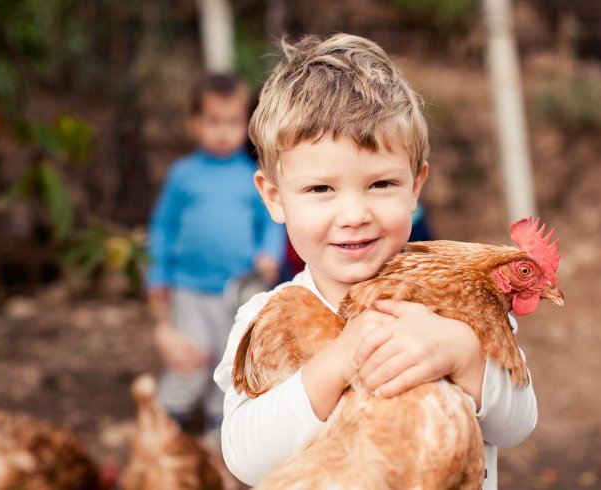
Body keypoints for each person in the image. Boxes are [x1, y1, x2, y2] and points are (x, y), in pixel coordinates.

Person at [213, 34, 537, 489]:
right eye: (320, 189)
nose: (354, 216)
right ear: (274, 197)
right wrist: (336, 364)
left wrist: (463, 355)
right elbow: (244, 458)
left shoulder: (461, 305)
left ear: (415, 187)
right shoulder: (263, 317)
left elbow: (518, 423)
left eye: (381, 184)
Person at [146, 73, 285, 437]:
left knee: (228, 367)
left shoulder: (252, 175)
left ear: (247, 125)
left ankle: (218, 444)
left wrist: (268, 253)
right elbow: (162, 227)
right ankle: (160, 429)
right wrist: (156, 272)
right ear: (194, 122)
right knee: (191, 360)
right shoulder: (183, 175)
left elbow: (272, 221)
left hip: (236, 293)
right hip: (188, 288)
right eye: (213, 121)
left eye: (233, 122)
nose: (223, 131)